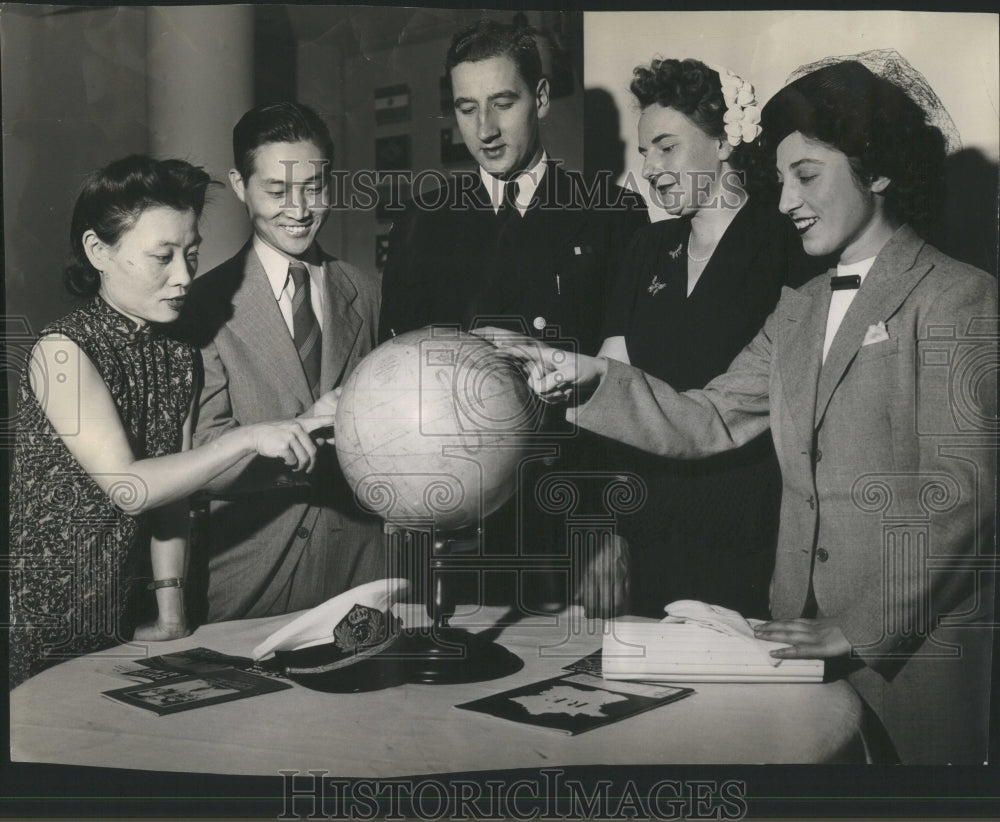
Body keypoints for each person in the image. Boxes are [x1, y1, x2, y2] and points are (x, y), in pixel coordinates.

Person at [492, 59, 996, 764]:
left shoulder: (959, 298)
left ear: (876, 171)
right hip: (790, 646)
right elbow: (709, 418)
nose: (786, 199)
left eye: (808, 176)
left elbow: (966, 494)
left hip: (910, 664)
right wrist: (588, 382)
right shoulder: (799, 308)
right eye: (782, 178)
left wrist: (857, 628)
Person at [9, 156, 334, 689]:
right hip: (57, 613)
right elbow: (131, 489)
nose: (184, 277)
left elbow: (176, 493)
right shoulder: (61, 352)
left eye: (191, 255)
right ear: (98, 252)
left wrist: (172, 609)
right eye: (162, 257)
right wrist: (249, 437)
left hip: (129, 608)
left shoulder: (178, 353)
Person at [378, 19, 646, 609]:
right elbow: (391, 382)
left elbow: (627, 387)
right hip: (450, 519)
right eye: (467, 108)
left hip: (570, 514)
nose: (485, 130)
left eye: (503, 103)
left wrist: (608, 531)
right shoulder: (424, 220)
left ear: (541, 98)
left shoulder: (611, 214)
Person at [595, 58, 827, 618]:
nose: (649, 168)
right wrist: (608, 532)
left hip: (755, 538)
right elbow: (610, 393)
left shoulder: (788, 244)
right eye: (644, 152)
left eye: (666, 147)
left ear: (724, 141)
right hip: (649, 531)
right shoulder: (645, 249)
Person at [180, 102, 387, 622]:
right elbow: (201, 459)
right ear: (239, 184)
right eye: (276, 191)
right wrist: (307, 431)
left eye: (314, 188)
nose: (298, 210)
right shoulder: (200, 306)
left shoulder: (366, 291)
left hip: (363, 576)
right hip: (249, 582)